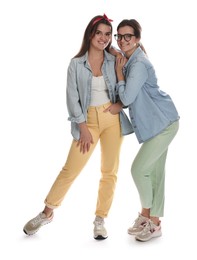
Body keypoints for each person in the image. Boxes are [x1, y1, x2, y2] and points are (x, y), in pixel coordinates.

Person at [23, 14, 133, 240]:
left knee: (109, 172)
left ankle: (100, 219)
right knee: (71, 169)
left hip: (112, 119)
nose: (103, 38)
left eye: (107, 34)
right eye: (99, 33)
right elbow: (72, 98)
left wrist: (119, 103)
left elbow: (129, 82)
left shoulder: (114, 59)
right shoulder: (76, 64)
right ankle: (47, 212)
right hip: (88, 121)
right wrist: (82, 126)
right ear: (90, 34)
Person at [111, 19, 180, 242]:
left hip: (164, 123)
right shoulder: (131, 57)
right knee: (156, 174)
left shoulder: (138, 64)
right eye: (119, 36)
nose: (122, 40)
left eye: (127, 36)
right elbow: (118, 53)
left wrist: (120, 77)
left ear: (137, 39)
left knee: (139, 169)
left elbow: (128, 97)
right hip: (158, 124)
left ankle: (147, 215)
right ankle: (154, 223)